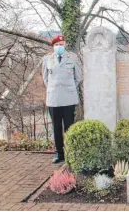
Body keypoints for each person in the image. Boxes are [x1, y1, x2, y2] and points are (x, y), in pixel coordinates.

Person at [42, 35, 82, 163]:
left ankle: (70, 154)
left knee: (69, 127)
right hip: (54, 98)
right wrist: (54, 88)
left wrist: (68, 87)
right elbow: (45, 78)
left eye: (61, 44)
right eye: (57, 45)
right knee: (56, 128)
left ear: (65, 45)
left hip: (68, 98)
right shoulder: (47, 59)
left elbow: (78, 77)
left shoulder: (73, 58)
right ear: (53, 46)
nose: (59, 47)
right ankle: (59, 154)